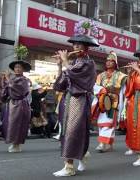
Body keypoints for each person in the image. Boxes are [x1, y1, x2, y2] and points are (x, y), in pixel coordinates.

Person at [52, 22, 99, 177]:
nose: (76, 48)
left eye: (79, 46)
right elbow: (60, 85)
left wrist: (65, 62)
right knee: (68, 130)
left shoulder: (89, 63)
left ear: (86, 48)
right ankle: (82, 154)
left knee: (73, 130)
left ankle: (69, 166)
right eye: (75, 45)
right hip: (68, 99)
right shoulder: (72, 63)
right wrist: (60, 66)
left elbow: (75, 75)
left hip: (80, 100)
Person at [95, 51, 127, 152]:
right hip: (101, 102)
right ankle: (108, 144)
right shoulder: (100, 75)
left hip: (114, 102)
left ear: (115, 63)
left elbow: (124, 90)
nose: (108, 63)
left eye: (111, 61)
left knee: (108, 123)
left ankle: (102, 143)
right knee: (101, 123)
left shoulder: (121, 75)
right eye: (107, 61)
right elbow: (96, 87)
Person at [1, 60, 32, 153]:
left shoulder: (24, 80)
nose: (17, 69)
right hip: (12, 103)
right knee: (9, 123)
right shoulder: (13, 79)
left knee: (16, 124)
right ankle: (14, 143)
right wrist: (5, 81)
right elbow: (6, 90)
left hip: (20, 104)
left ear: (23, 69)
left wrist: (8, 79)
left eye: (19, 67)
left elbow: (20, 91)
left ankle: (16, 144)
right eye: (16, 67)